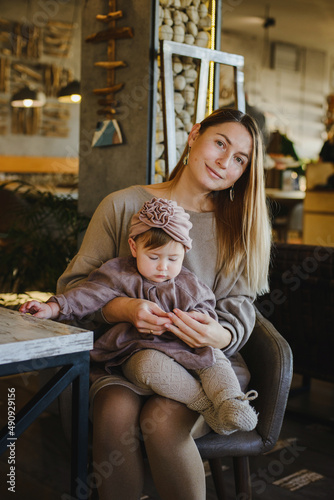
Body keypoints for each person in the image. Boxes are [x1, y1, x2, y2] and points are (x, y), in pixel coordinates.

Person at [31, 107, 271, 500]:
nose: (225, 162)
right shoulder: (122, 205)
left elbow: (240, 303)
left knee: (161, 423)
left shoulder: (235, 224)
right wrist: (124, 310)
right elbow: (76, 287)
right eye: (220, 143)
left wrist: (221, 332)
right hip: (123, 355)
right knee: (114, 414)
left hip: (202, 364)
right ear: (194, 135)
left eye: (240, 159)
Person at [20, 197, 258, 437]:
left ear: (185, 251)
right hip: (137, 349)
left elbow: (207, 307)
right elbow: (87, 295)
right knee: (148, 366)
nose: (163, 267)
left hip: (185, 347)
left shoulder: (188, 284)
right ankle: (206, 406)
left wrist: (197, 319)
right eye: (154, 257)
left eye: (173, 259)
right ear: (134, 247)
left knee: (214, 357)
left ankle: (231, 402)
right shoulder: (119, 274)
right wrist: (53, 308)